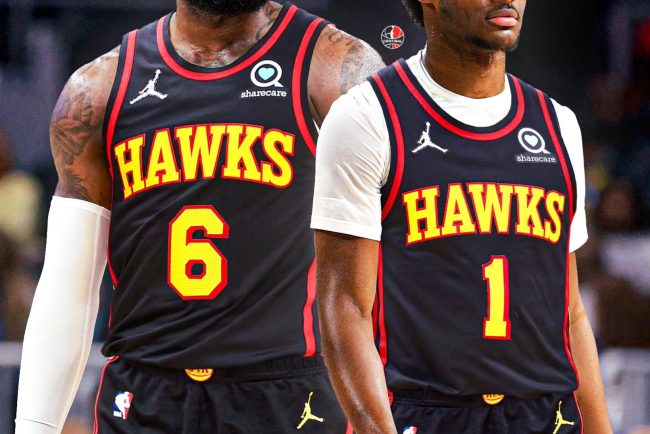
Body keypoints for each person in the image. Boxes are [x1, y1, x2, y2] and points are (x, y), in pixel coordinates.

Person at [15, 0, 383, 432]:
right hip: (144, 393)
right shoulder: (98, 88)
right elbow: (68, 286)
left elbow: (406, 252)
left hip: (287, 390)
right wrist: (33, 426)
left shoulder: (335, 67)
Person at [311, 0, 612, 433]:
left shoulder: (558, 123)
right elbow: (345, 310)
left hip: (547, 413)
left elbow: (572, 314)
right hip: (427, 411)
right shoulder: (366, 116)